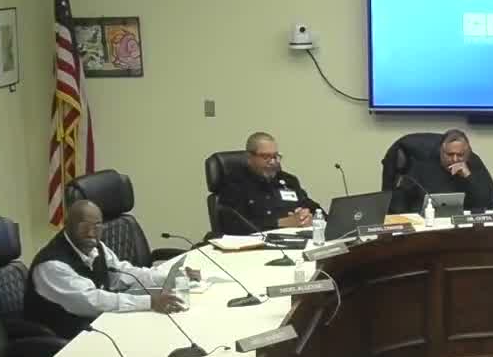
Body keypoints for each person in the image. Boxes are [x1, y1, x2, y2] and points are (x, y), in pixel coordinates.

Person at [25, 199, 196, 338]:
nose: (91, 233)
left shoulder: (95, 247)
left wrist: (173, 276)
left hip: (97, 325)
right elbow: (92, 302)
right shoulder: (52, 265)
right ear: (67, 225)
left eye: (97, 226)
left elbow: (123, 273)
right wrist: (151, 302)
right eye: (84, 226)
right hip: (64, 341)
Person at [215, 131, 320, 232]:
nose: (273, 162)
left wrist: (309, 217)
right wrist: (280, 223)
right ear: (249, 157)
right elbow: (232, 225)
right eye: (266, 157)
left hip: (296, 240)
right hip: (256, 242)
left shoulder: (289, 181)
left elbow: (315, 209)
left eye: (275, 156)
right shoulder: (234, 183)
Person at [403, 129, 493, 212]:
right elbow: (404, 201)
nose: (455, 159)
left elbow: (491, 203)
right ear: (441, 152)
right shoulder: (423, 164)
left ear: (468, 154)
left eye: (460, 155)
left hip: (464, 224)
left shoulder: (473, 163)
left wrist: (468, 177)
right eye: (450, 154)